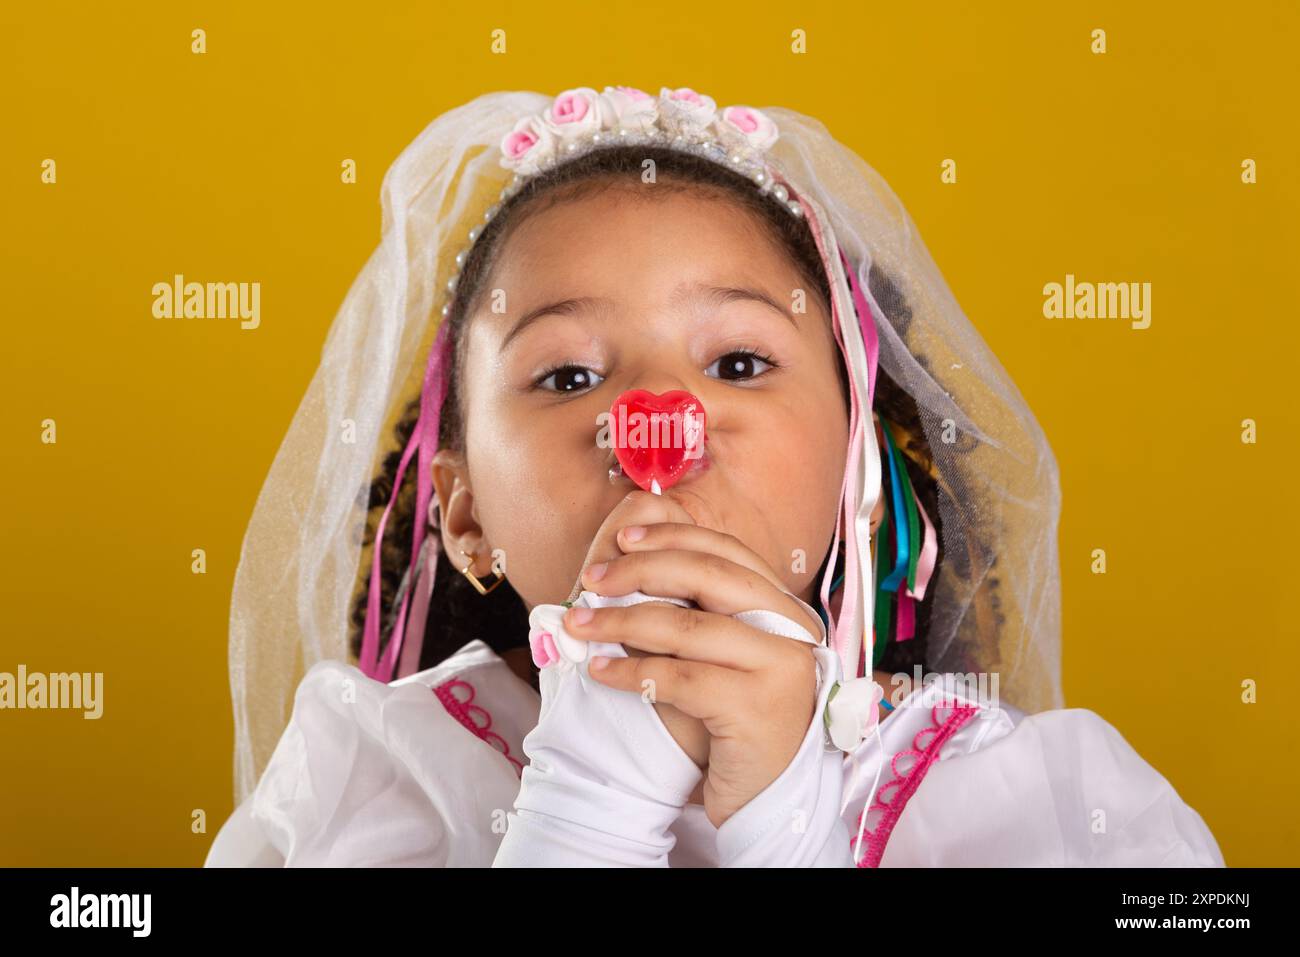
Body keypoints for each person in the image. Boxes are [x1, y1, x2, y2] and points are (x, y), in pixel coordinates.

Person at [205, 85, 1224, 867]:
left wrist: (788, 829)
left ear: (859, 472)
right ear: (463, 517)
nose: (659, 422)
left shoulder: (1043, 798)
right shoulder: (359, 780)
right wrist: (580, 816)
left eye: (738, 364)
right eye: (566, 375)